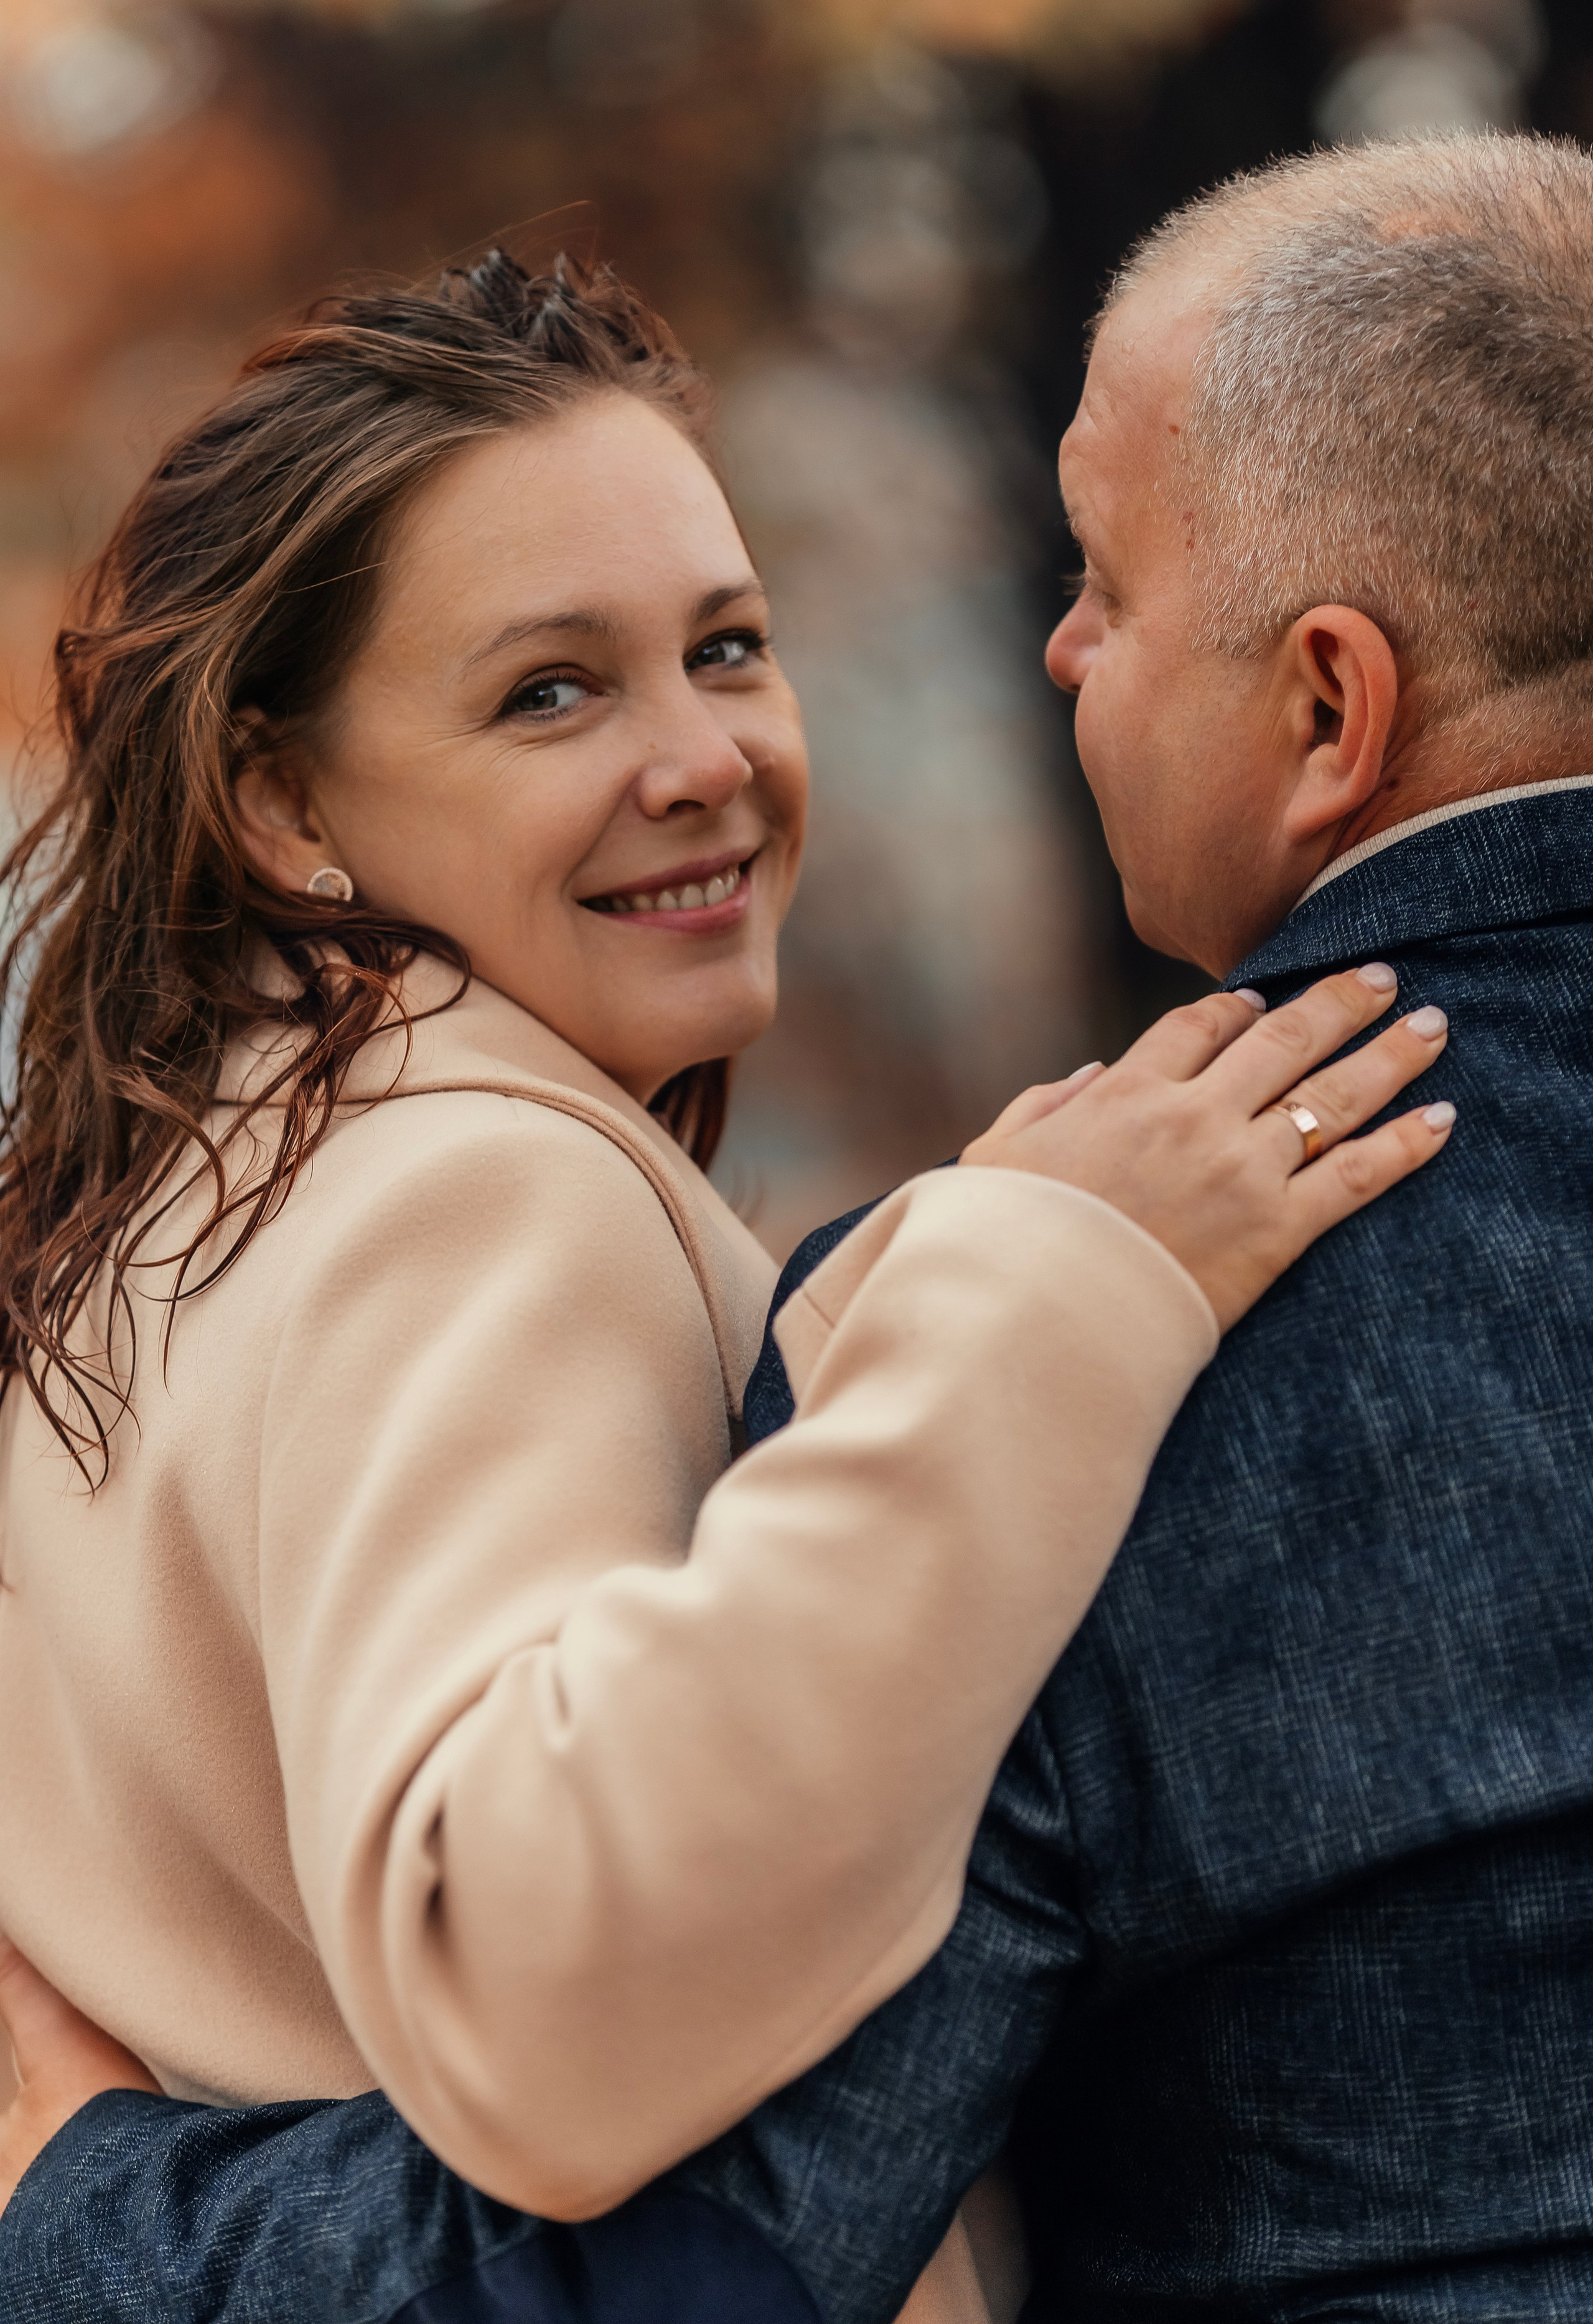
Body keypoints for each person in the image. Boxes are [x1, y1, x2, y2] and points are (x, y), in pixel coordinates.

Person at [0, 241, 1447, 2321]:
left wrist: (879, 1308)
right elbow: (539, 1985)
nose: (705, 759)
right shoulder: (476, 1189)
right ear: (279, 796)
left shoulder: (205, 1190)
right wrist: (1057, 1292)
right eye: (551, 691)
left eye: (730, 648)